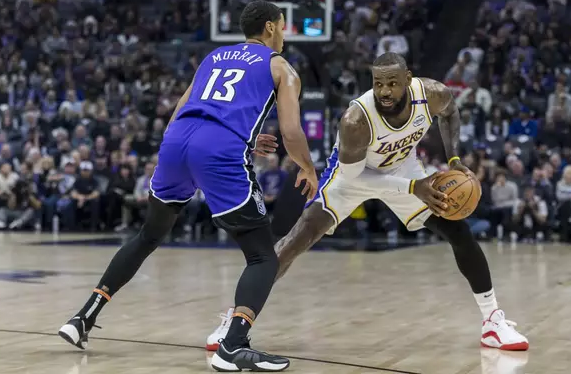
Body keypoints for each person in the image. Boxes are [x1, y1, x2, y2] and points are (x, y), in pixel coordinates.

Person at [58, 1, 318, 372]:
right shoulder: (281, 67)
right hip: (217, 151)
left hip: (177, 143)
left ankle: (83, 316)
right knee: (263, 256)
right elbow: (291, 131)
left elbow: (183, 111)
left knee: (149, 235)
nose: (285, 33)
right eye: (283, 25)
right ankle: (232, 346)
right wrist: (306, 167)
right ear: (271, 28)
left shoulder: (214, 57)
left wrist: (240, 137)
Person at [207, 52, 529, 352]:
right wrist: (412, 187)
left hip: (403, 168)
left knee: (458, 231)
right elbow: (353, 179)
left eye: (392, 83)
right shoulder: (356, 120)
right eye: (378, 83)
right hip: (353, 176)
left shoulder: (431, 94)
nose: (385, 91)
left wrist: (454, 157)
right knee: (294, 242)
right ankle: (235, 320)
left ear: (408, 79)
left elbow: (451, 114)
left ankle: (492, 322)